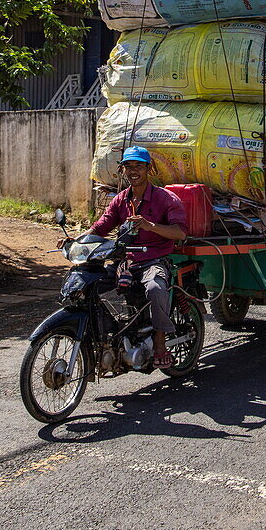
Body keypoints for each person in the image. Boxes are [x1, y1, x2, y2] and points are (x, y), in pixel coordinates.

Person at [88, 146, 187, 369]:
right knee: (86, 285)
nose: (133, 171)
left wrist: (150, 226)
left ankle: (160, 342)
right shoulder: (121, 200)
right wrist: (75, 240)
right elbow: (100, 227)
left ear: (148, 169)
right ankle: (107, 334)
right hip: (125, 262)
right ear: (122, 170)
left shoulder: (165, 198)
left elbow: (179, 232)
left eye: (139, 166)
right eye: (128, 166)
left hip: (154, 261)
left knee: (155, 288)